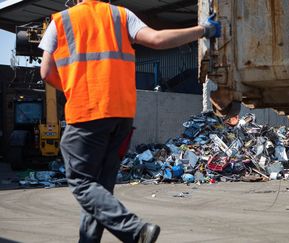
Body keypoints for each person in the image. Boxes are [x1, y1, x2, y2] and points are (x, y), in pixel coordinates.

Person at [38, 1, 221, 242]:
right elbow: (157, 39)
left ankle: (135, 230)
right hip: (121, 117)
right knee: (99, 192)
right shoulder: (121, 15)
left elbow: (46, 72)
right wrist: (203, 30)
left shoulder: (60, 21)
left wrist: (75, 88)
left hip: (87, 113)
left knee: (82, 184)